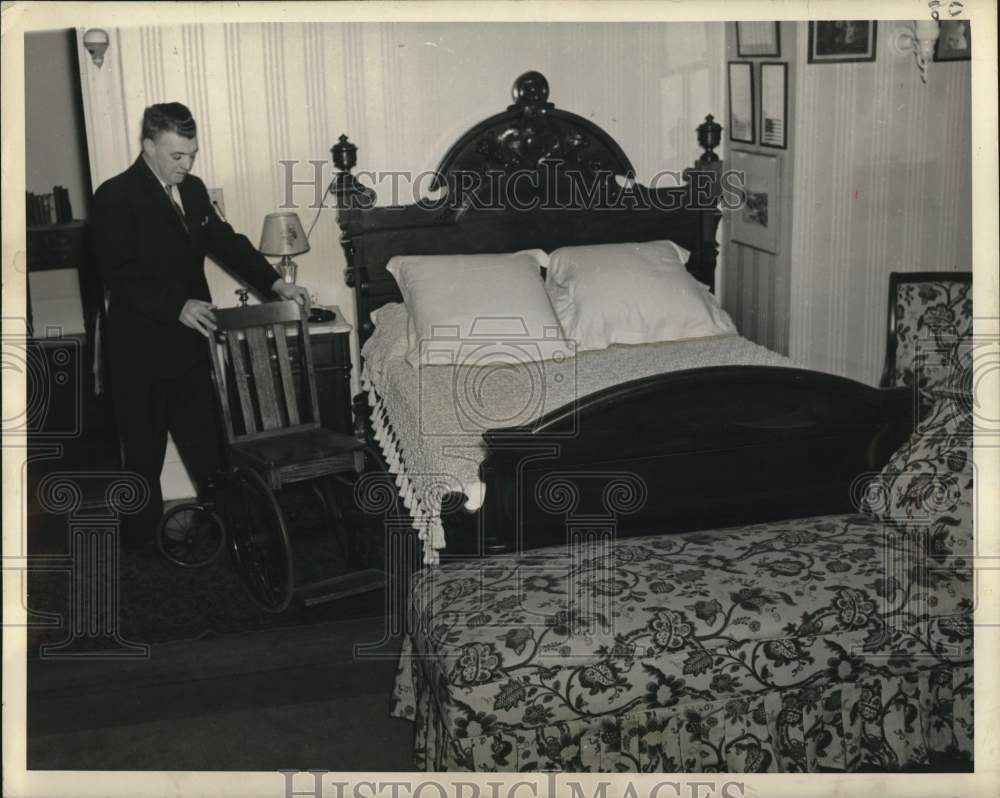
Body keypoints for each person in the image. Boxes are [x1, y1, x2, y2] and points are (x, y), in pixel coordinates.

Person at [92, 102, 310, 550]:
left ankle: (228, 542)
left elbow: (227, 243)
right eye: (177, 156)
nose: (187, 164)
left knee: (209, 450)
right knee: (142, 461)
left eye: (192, 154)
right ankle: (143, 558)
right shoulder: (115, 195)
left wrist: (275, 284)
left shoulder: (191, 191)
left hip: (191, 347)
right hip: (139, 354)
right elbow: (118, 271)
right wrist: (175, 304)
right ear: (149, 147)